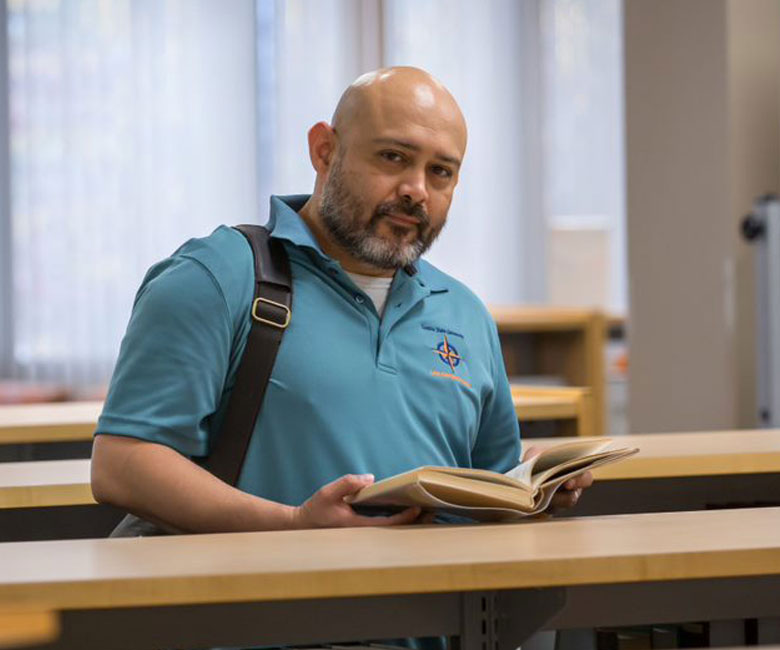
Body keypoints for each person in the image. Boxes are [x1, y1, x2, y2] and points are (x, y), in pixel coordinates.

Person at [91, 66, 592, 534]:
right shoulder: (215, 277)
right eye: (393, 157)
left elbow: (490, 487)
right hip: (255, 622)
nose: (416, 190)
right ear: (324, 150)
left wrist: (534, 488)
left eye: (440, 172)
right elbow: (122, 465)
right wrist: (293, 524)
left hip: (428, 624)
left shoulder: (463, 313)